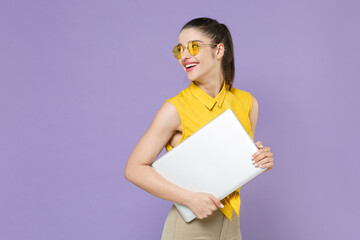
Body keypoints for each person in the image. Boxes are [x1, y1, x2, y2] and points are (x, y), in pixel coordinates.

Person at [124, 17, 274, 240]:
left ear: (219, 50)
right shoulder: (175, 109)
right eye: (179, 49)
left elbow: (229, 168)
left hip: (232, 226)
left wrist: (259, 160)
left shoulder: (248, 103)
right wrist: (189, 199)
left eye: (193, 46)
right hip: (190, 228)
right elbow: (134, 169)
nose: (184, 56)